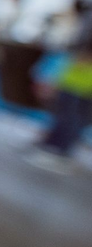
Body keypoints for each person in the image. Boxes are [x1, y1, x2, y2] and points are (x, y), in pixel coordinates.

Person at [27, 37, 92, 174]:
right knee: (65, 118)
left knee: (72, 120)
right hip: (74, 85)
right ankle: (51, 147)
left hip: (81, 87)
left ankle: (58, 151)